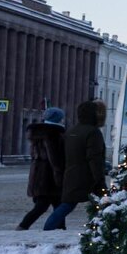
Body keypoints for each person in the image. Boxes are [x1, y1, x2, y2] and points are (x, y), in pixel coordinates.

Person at [43, 99, 107, 231]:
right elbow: (94, 158)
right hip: (88, 177)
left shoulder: (72, 130)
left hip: (71, 174)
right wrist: (100, 179)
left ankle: (48, 229)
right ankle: (103, 230)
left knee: (67, 205)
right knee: (104, 204)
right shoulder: (93, 132)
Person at [16, 107, 66, 230]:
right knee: (44, 206)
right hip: (49, 178)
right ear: (58, 119)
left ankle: (60, 229)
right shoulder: (53, 133)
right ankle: (22, 226)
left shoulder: (37, 133)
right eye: (62, 118)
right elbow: (55, 159)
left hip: (38, 176)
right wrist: (60, 175)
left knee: (56, 205)